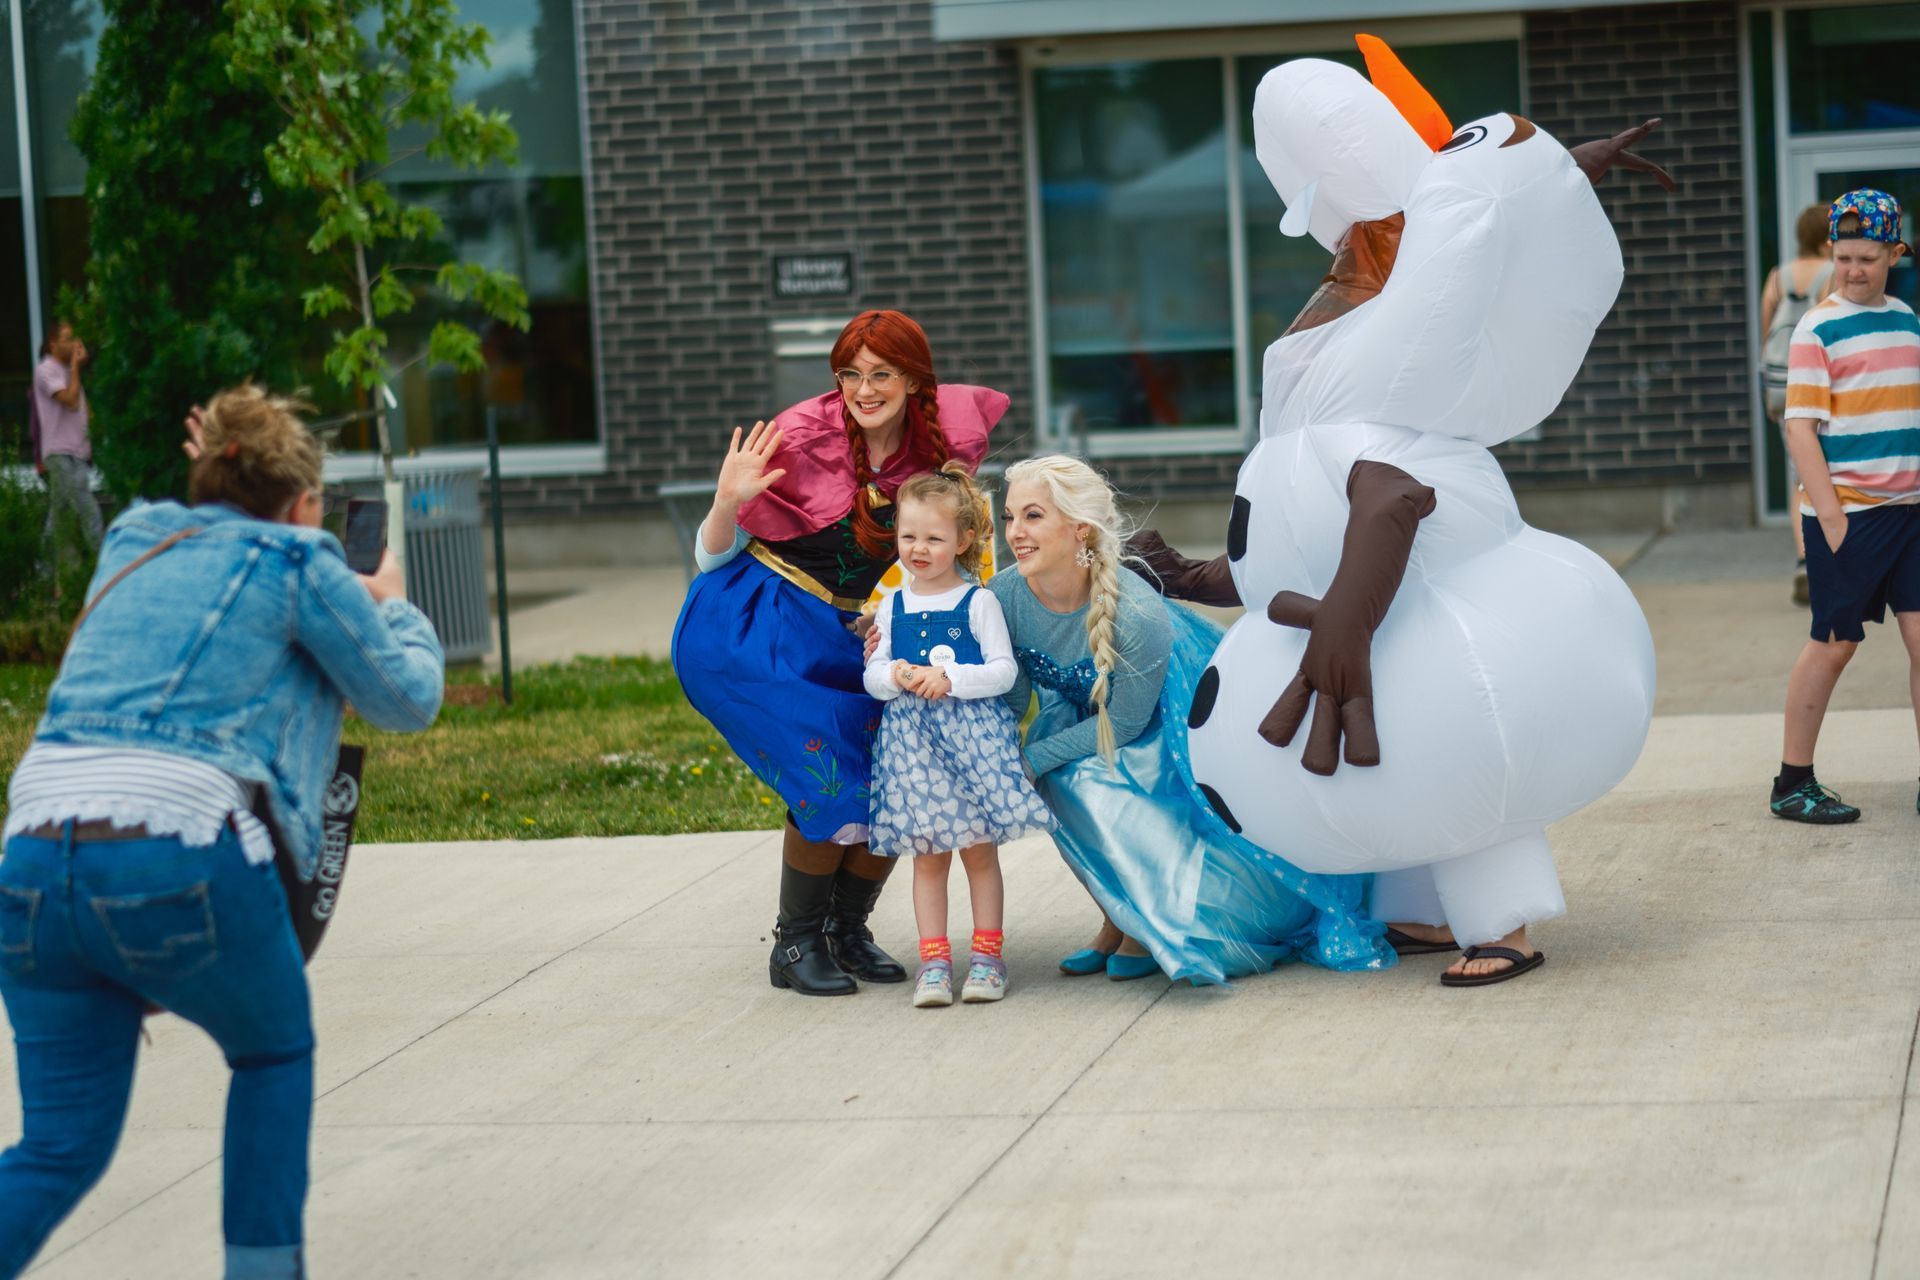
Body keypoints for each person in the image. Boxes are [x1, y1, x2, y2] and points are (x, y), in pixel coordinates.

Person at [0, 384, 444, 1279]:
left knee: (59, 1147)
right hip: (179, 850)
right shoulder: (301, 563)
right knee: (272, 1053)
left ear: (206, 467)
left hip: (33, 861)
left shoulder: (133, 538)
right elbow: (406, 698)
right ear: (306, 504)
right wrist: (391, 602)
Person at [670, 310, 1009, 996]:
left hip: (864, 634)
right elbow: (710, 559)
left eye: (881, 373)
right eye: (849, 374)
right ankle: (794, 945)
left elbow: (956, 553)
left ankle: (845, 932)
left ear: (913, 378)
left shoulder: (942, 448)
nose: (864, 388)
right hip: (762, 629)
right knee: (826, 778)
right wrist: (727, 501)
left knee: (888, 780)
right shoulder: (798, 440)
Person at [987, 455, 1390, 984]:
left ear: (1078, 527)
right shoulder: (1005, 595)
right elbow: (1011, 695)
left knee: (1091, 781)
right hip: (1085, 709)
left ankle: (1142, 926)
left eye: (1033, 517)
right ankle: (1115, 920)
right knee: (1056, 778)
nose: (1015, 532)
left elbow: (1127, 726)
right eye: (1010, 517)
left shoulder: (1135, 614)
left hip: (1164, 714)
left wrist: (1033, 759)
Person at [863, 464, 1053, 1007]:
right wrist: (895, 675)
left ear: (964, 540)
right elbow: (873, 676)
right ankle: (934, 962)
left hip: (972, 743)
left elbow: (1003, 671)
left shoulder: (978, 601)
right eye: (908, 536)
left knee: (976, 849)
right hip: (915, 749)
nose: (918, 549)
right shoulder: (894, 604)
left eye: (933, 538)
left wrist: (951, 679)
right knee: (927, 855)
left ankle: (989, 957)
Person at [1772, 188, 1920, 825]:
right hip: (1850, 515)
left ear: (1895, 251)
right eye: (1844, 257)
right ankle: (1793, 783)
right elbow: (1799, 428)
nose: (1855, 269)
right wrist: (1829, 520)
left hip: (1911, 513)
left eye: (1868, 257)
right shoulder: (1817, 327)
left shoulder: (1908, 319)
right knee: (1834, 645)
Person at [1760, 205, 1837, 604]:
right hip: (1818, 381)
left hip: (1779, 382)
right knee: (1829, 465)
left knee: (1798, 473)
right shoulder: (1832, 274)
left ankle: (1805, 560)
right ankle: (1834, 556)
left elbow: (1765, 330)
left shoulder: (1777, 275)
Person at [31, 320, 103, 574]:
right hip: (61, 453)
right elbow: (70, 402)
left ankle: (43, 573)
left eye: (74, 338)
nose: (73, 344)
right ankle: (107, 566)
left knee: (59, 514)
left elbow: (84, 411)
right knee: (87, 506)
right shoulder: (46, 370)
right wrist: (75, 366)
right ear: (53, 344)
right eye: (67, 339)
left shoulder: (70, 374)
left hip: (77, 452)